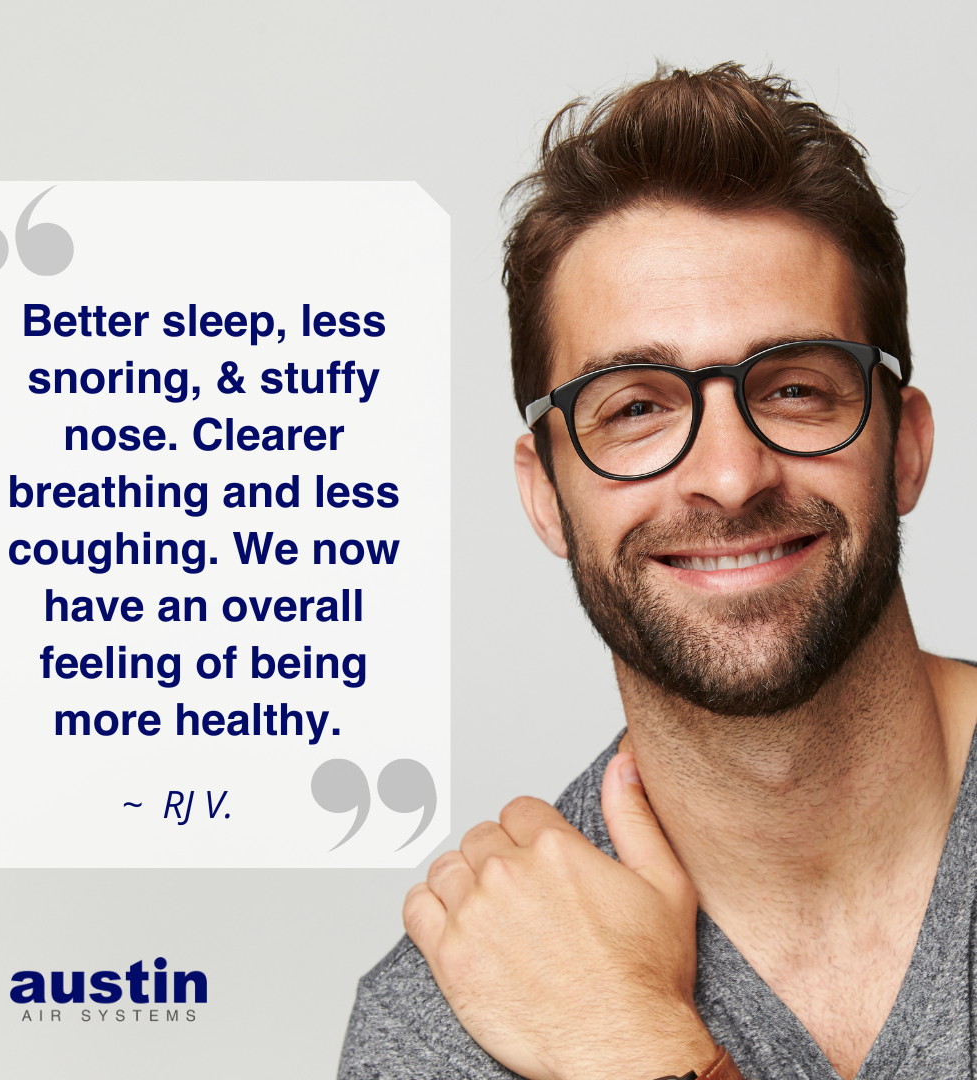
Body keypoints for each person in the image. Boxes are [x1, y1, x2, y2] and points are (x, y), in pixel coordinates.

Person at [338, 63, 977, 1080]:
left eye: (797, 388)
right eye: (635, 408)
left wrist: (636, 1048)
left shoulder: (578, 1038)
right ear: (545, 493)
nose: (729, 478)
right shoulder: (460, 1018)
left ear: (903, 447)